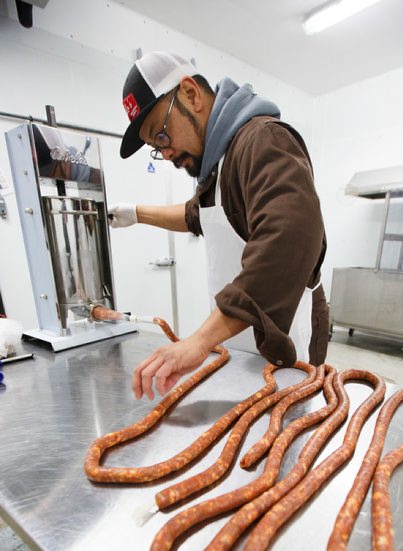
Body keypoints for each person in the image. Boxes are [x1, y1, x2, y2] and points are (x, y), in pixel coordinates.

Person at [110, 51, 329, 400]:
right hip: (243, 344)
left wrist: (198, 340)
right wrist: (136, 213)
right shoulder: (219, 164)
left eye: (161, 136)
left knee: (291, 438)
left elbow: (290, 236)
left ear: (191, 94)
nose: (165, 154)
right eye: (156, 148)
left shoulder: (261, 140)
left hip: (287, 340)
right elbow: (194, 215)